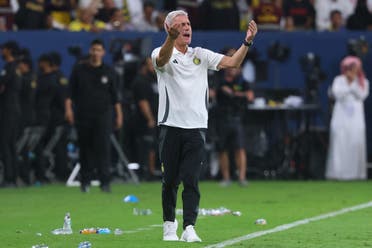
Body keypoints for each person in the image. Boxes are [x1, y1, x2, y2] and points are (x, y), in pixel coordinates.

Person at [151, 10, 257, 242]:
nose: (186, 27)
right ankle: (169, 226)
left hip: (196, 127)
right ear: (170, 29)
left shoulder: (200, 54)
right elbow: (161, 61)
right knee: (170, 181)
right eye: (180, 24)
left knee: (191, 179)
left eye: (188, 23)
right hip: (170, 126)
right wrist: (170, 39)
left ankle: (189, 227)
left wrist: (247, 41)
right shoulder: (160, 52)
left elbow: (233, 62)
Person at [65, 39, 123, 193]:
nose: (96, 52)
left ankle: (105, 182)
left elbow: (115, 97)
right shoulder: (79, 70)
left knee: (104, 149)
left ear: (103, 52)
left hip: (103, 115)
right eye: (93, 49)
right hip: (83, 114)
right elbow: (70, 93)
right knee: (85, 149)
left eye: (99, 50)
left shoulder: (109, 72)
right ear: (90, 51)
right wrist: (69, 110)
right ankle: (85, 182)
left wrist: (119, 115)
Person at [216, 48, 254, 187]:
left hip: (236, 118)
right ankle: (226, 178)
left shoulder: (242, 80)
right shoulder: (219, 79)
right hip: (222, 118)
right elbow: (215, 93)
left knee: (240, 148)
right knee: (222, 149)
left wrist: (235, 94)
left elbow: (250, 96)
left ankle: (242, 178)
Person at [326, 56, 369, 180]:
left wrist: (354, 83)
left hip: (356, 117)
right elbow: (337, 94)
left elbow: (362, 95)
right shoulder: (338, 80)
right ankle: (337, 173)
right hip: (340, 115)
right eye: (350, 68)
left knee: (356, 141)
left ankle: (356, 174)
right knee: (340, 142)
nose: (353, 70)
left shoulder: (363, 81)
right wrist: (349, 84)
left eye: (355, 67)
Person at [132, 57, 159, 180]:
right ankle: (147, 172)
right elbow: (143, 102)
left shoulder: (153, 79)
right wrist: (149, 118)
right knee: (147, 145)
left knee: (154, 146)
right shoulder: (140, 81)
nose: (153, 67)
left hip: (157, 118)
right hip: (145, 120)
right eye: (150, 65)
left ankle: (153, 171)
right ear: (143, 66)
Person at [0, 40, 22, 187]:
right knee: (12, 144)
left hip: (7, 110)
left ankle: (9, 178)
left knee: (5, 144)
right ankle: (14, 176)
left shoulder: (9, 68)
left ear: (8, 51)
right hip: (14, 109)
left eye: (3, 49)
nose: (2, 52)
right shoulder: (17, 68)